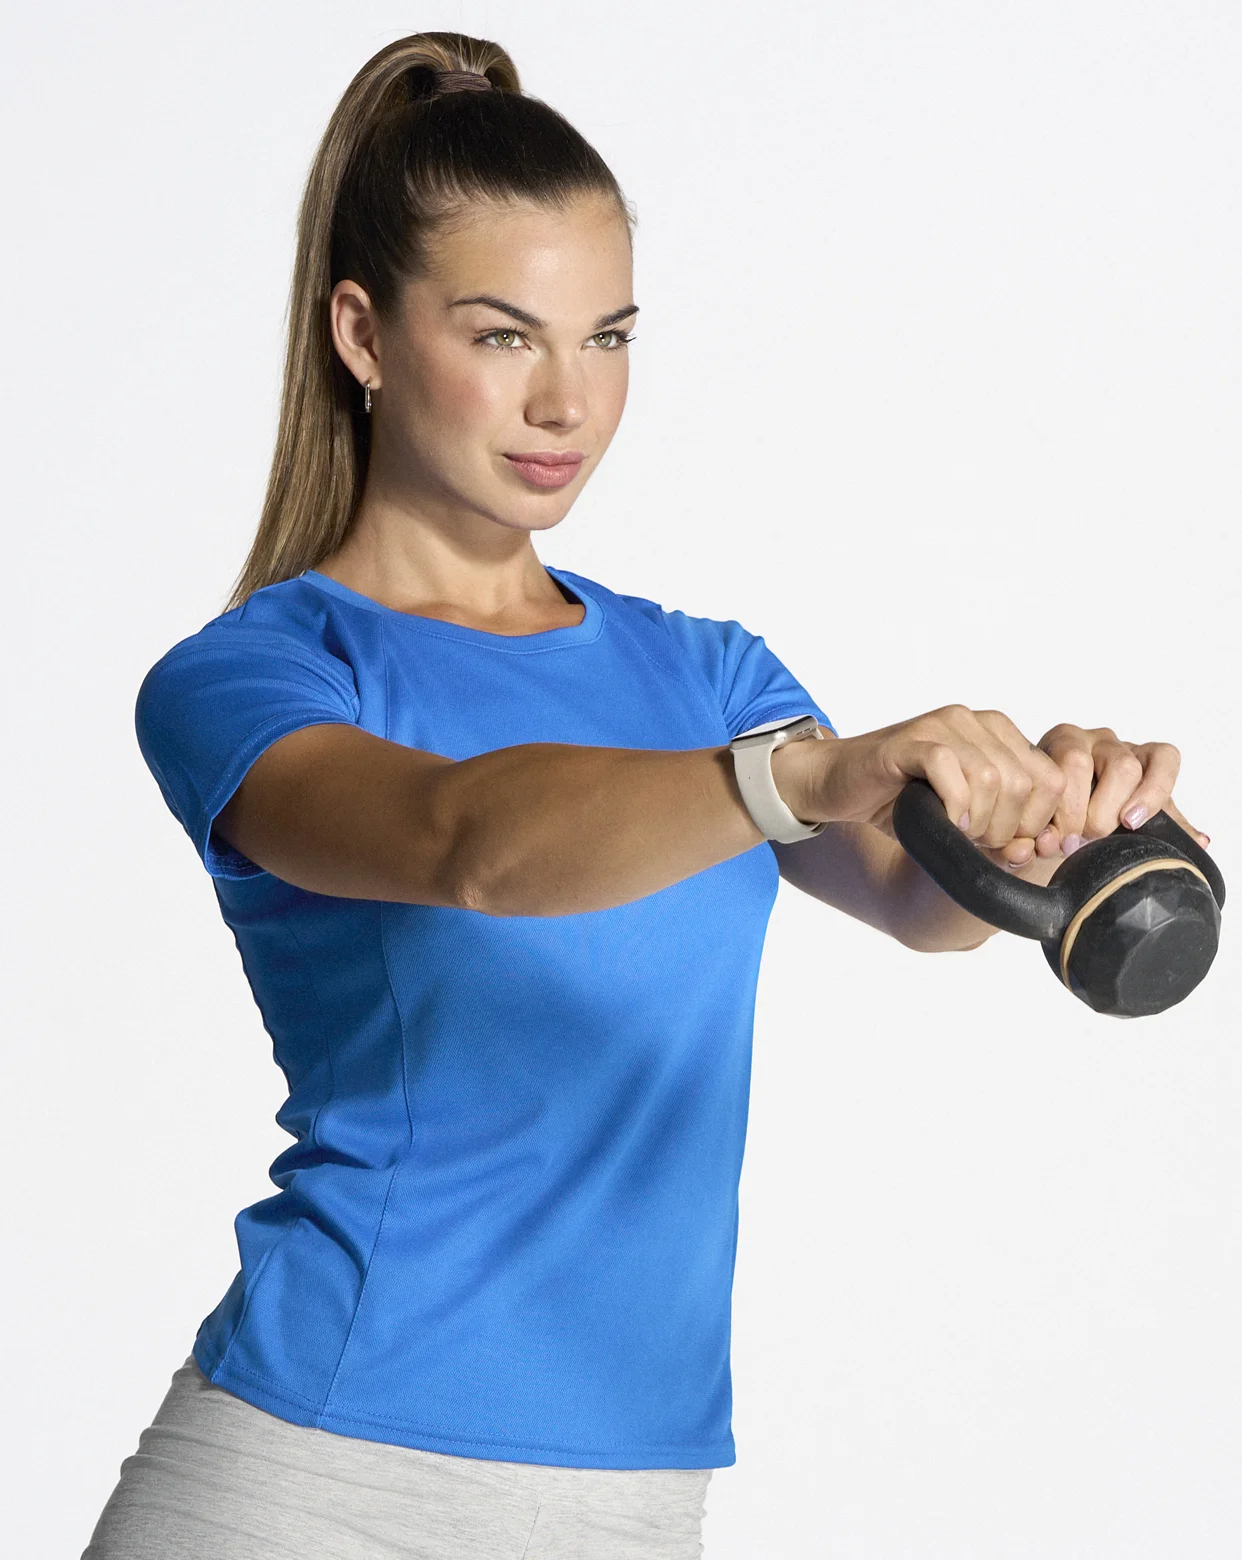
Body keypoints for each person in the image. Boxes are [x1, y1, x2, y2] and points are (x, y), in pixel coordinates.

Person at [82, 30, 1210, 1560]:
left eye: (606, 337)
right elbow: (468, 844)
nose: (568, 401)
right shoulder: (257, 675)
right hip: (315, 1477)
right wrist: (795, 773)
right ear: (362, 333)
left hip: (633, 1497)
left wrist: (1045, 826)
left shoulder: (704, 672)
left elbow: (915, 900)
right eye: (503, 337)